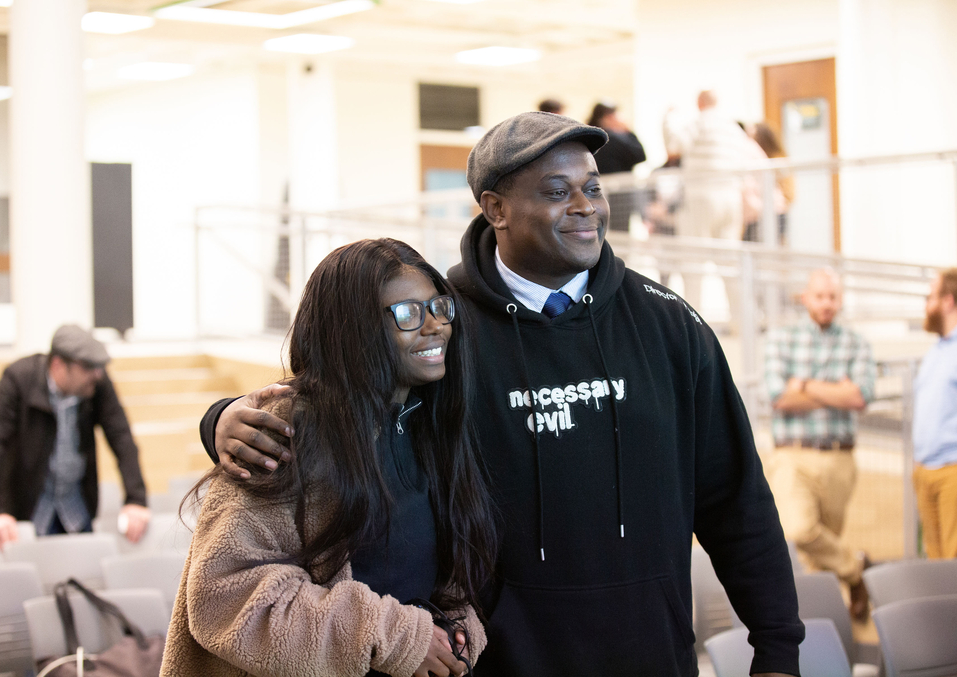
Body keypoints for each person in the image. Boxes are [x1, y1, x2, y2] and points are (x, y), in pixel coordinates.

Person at [204, 113, 803, 675]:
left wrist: (776, 646)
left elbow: (737, 501)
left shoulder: (670, 326)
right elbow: (335, 397)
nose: (584, 207)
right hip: (495, 662)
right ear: (495, 208)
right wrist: (223, 418)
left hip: (651, 654)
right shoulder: (443, 328)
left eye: (593, 189)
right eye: (555, 191)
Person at [161, 239, 496, 676]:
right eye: (408, 314)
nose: (435, 326)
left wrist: (457, 623)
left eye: (438, 307)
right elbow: (226, 596)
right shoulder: (287, 430)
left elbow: (444, 571)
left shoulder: (431, 422)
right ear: (352, 329)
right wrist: (398, 636)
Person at [764, 269, 875, 618]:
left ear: (840, 300)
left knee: (818, 556)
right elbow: (778, 397)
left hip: (839, 458)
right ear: (806, 297)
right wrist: (834, 391)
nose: (826, 303)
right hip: (791, 455)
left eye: (833, 297)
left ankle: (823, 631)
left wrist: (805, 385)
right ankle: (855, 568)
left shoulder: (856, 342)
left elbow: (860, 396)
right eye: (820, 296)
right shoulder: (782, 338)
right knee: (798, 528)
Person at [0, 324, 149, 549]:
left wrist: (135, 499)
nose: (96, 375)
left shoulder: (96, 384)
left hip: (76, 509)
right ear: (58, 364)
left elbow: (121, 437)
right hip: (28, 511)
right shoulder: (18, 379)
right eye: (88, 367)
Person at [668, 90, 766, 332]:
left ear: (699, 103)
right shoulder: (733, 129)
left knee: (693, 263)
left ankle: (692, 326)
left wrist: (667, 120)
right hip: (730, 198)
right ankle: (744, 323)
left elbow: (674, 146)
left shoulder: (700, 122)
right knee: (731, 264)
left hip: (702, 196)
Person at [912, 268, 957, 559]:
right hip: (925, 471)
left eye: (930, 298)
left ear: (947, 301)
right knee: (936, 562)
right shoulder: (936, 351)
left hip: (951, 470)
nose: (926, 306)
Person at [586, 100, 646, 232]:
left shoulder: (588, 135)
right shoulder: (613, 138)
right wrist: (628, 132)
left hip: (594, 192)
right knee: (620, 232)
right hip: (617, 194)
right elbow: (640, 155)